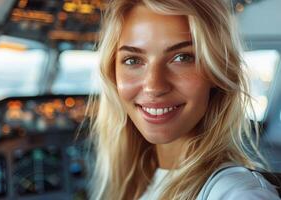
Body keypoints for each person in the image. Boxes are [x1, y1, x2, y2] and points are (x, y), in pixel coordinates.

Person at [86, 0, 280, 199]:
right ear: (113, 73)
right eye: (133, 60)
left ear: (216, 71)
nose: (154, 86)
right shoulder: (139, 181)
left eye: (182, 58)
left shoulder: (235, 192)